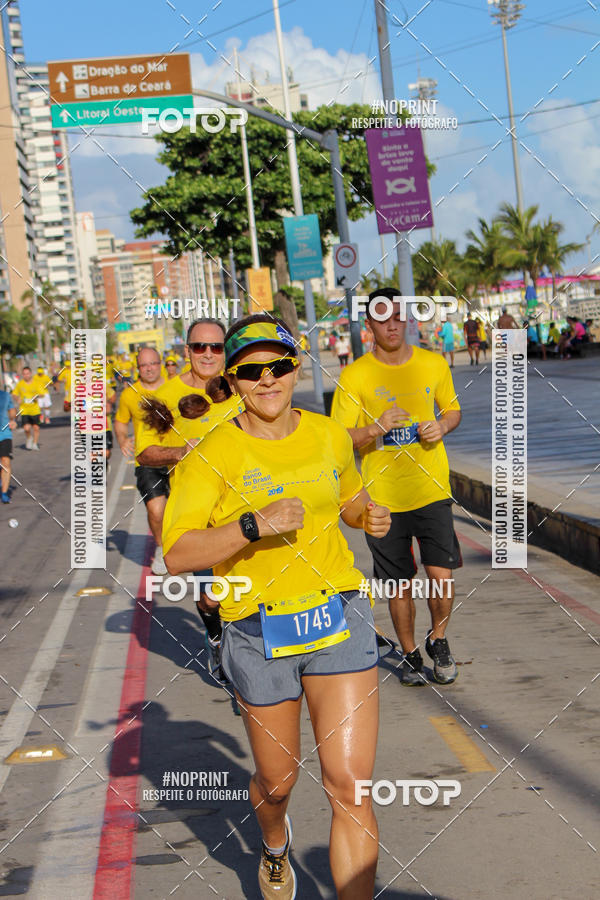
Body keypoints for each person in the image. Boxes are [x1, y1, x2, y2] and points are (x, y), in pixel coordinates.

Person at [163, 313, 390, 900]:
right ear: (232, 380)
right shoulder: (210, 455)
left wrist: (368, 515)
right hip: (256, 629)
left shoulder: (328, 433)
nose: (268, 380)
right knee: (278, 780)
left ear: (296, 367)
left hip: (337, 612)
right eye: (250, 371)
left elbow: (348, 498)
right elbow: (178, 553)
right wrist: (251, 524)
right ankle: (272, 842)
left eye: (280, 366)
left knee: (350, 785)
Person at [331, 288, 462, 687]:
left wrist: (442, 425)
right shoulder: (356, 375)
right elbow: (337, 438)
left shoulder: (433, 363)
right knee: (399, 583)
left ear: (407, 319)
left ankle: (438, 640)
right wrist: (376, 428)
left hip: (431, 490)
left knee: (441, 575)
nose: (392, 324)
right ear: (368, 326)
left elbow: (453, 409)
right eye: (382, 318)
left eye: (398, 317)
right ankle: (408, 655)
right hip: (382, 499)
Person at [136, 318, 243, 669]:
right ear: (187, 351)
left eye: (216, 347)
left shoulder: (241, 389)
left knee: (250, 595)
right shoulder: (164, 397)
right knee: (213, 597)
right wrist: (180, 451)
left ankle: (250, 669)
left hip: (246, 506)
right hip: (198, 518)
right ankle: (215, 637)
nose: (209, 354)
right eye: (200, 347)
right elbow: (145, 451)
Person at [114, 347, 167, 574]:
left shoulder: (175, 387)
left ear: (160, 363)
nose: (149, 369)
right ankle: (162, 549)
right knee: (156, 510)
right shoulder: (129, 394)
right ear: (138, 368)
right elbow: (119, 420)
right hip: (147, 461)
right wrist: (123, 438)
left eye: (153, 363)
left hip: (180, 458)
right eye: (144, 365)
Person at [12, 367, 42, 450]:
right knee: (26, 428)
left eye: (27, 373)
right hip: (24, 409)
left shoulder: (36, 383)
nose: (26, 375)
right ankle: (29, 438)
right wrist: (17, 398)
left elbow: (42, 394)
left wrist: (37, 396)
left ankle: (35, 444)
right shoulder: (20, 384)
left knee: (36, 428)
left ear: (31, 373)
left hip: (35, 409)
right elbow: (14, 394)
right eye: (24, 374)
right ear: (22, 375)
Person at [0, 386, 17, 503]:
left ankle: (4, 493)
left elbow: (11, 410)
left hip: (4, 434)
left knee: (5, 461)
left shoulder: (5, 395)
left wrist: (12, 420)